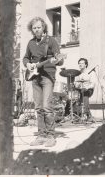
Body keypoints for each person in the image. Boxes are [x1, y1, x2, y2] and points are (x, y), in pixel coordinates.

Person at [23, 17, 64, 147]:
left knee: (47, 106)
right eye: (34, 28)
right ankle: (41, 135)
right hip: (35, 77)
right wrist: (28, 64)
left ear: (43, 27)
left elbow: (60, 60)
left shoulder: (51, 41)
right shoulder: (30, 43)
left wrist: (56, 60)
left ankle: (51, 136)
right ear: (32, 29)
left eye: (39, 27)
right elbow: (25, 58)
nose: (36, 30)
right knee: (38, 108)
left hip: (48, 77)